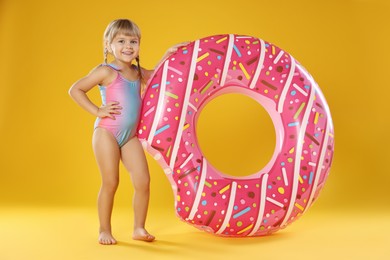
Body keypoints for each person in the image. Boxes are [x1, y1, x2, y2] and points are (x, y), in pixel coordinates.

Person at [69, 18, 187, 245]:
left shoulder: (137, 71)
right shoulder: (106, 71)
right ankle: (104, 229)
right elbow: (76, 89)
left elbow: (157, 76)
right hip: (107, 133)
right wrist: (97, 110)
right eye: (121, 41)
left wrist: (168, 55)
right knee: (111, 182)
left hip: (129, 137)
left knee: (143, 181)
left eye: (133, 41)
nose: (128, 46)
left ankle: (139, 228)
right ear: (108, 45)